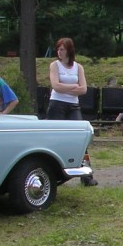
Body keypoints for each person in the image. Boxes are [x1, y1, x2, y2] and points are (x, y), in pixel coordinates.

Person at [46, 38, 97, 186]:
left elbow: (84, 89)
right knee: (54, 138)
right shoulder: (54, 65)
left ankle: (86, 175)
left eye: (62, 49)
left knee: (81, 138)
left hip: (73, 105)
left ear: (69, 50)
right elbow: (55, 86)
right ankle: (52, 173)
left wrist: (67, 87)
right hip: (57, 104)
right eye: (58, 49)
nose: (59, 52)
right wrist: (73, 87)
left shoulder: (78, 67)